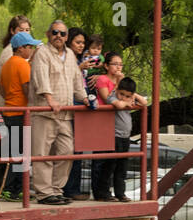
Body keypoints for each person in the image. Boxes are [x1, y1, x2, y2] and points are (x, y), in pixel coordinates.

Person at [28, 20, 89, 205]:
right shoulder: (42, 53)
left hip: (65, 113)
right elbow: (40, 77)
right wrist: (49, 98)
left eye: (62, 34)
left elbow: (77, 80)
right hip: (45, 112)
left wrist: (85, 98)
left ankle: (56, 189)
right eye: (55, 32)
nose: (58, 36)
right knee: (42, 154)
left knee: (66, 151)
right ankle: (44, 193)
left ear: (67, 37)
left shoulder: (70, 54)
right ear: (48, 34)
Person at [0, 29, 43, 199]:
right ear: (21, 48)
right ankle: (8, 188)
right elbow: (27, 90)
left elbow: (2, 90)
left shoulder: (8, 63)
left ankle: (16, 188)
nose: (31, 49)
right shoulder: (22, 64)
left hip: (9, 111)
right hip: (20, 112)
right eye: (30, 46)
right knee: (22, 153)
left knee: (16, 151)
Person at [91, 56, 145, 202]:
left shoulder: (128, 97)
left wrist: (133, 96)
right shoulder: (112, 97)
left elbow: (145, 102)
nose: (124, 97)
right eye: (122, 94)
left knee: (122, 167)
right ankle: (105, 193)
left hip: (125, 137)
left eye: (128, 95)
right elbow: (119, 104)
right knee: (109, 166)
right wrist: (127, 102)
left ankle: (120, 193)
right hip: (113, 136)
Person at [62, 29, 92, 200]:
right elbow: (64, 78)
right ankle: (68, 189)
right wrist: (79, 68)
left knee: (78, 151)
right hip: (70, 108)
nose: (81, 46)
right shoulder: (66, 58)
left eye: (83, 43)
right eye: (78, 42)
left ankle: (74, 189)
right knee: (69, 150)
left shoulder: (82, 58)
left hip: (82, 107)